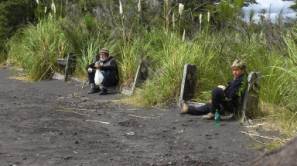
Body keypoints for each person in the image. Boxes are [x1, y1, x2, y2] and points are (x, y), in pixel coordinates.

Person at [180, 59, 248, 120]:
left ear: (243, 70)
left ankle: (213, 113)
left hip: (232, 106)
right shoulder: (239, 79)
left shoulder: (241, 80)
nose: (234, 72)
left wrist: (222, 90)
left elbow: (231, 95)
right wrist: (215, 99)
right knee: (208, 106)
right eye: (233, 70)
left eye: (236, 70)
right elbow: (231, 92)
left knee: (216, 91)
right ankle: (188, 109)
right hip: (228, 104)